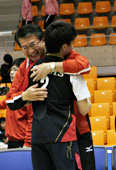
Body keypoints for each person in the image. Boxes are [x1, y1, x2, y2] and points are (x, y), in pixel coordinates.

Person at [6, 24, 95, 170]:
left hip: (77, 130)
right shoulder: (25, 67)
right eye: (24, 47)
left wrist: (52, 66)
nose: (30, 51)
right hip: (44, 134)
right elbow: (10, 99)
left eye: (33, 44)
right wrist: (24, 96)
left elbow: (85, 65)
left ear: (43, 40)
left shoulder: (65, 54)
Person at [28, 21, 91, 170]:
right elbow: (84, 109)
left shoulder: (33, 69)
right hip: (64, 134)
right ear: (64, 47)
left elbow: (23, 98)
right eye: (72, 43)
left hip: (38, 136)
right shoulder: (71, 69)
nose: (73, 47)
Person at [0, 58, 33, 149]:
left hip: (23, 142)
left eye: (15, 70)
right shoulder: (12, 93)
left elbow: (32, 119)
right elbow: (4, 103)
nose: (11, 72)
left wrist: (28, 143)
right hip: (12, 140)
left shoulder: (27, 93)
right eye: (11, 70)